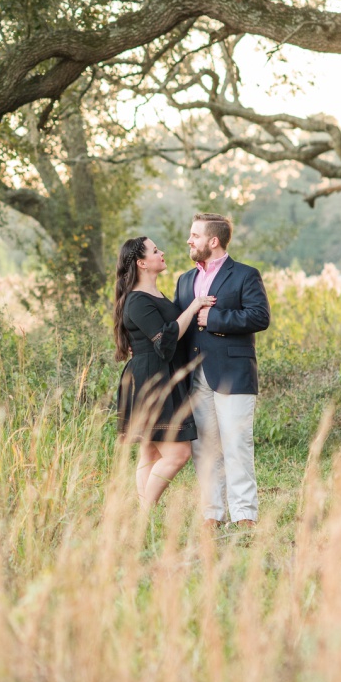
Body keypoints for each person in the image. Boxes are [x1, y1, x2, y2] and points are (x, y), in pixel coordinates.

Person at [173, 213, 271, 530]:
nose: (189, 240)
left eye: (195, 235)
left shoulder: (244, 275)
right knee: (204, 447)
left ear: (213, 241)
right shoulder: (185, 280)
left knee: (237, 445)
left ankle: (244, 516)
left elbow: (259, 317)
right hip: (195, 375)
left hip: (234, 373)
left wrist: (212, 319)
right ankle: (211, 515)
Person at [113, 236, 217, 510]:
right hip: (153, 379)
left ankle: (142, 519)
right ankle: (146, 510)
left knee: (150, 451)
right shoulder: (137, 301)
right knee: (178, 453)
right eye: (155, 250)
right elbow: (165, 341)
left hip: (164, 375)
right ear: (142, 263)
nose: (162, 253)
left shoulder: (155, 295)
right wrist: (195, 306)